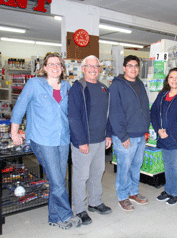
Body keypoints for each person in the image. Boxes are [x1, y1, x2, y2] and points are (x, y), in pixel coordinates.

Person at [10, 53, 81, 229]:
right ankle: (65, 215)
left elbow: (70, 113)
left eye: (58, 64)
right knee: (57, 180)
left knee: (58, 179)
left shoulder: (66, 86)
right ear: (44, 67)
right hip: (42, 139)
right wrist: (14, 132)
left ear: (62, 68)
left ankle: (53, 216)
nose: (55, 67)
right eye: (51, 64)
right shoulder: (34, 84)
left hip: (62, 138)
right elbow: (20, 107)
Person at [68, 55, 112, 225]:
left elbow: (107, 115)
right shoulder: (78, 88)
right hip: (84, 141)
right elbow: (73, 116)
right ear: (83, 68)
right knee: (81, 176)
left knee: (97, 172)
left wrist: (108, 134)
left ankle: (95, 202)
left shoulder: (103, 88)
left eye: (96, 66)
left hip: (100, 140)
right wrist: (80, 141)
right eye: (90, 66)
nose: (94, 69)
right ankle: (79, 209)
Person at [109, 55, 150, 211]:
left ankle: (133, 192)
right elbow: (114, 112)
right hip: (125, 136)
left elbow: (144, 107)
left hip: (140, 134)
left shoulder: (139, 84)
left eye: (136, 66)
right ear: (124, 68)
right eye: (130, 66)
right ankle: (123, 196)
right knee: (124, 168)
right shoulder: (117, 86)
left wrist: (146, 129)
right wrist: (122, 135)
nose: (133, 69)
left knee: (136, 166)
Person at [150, 68, 177, 205]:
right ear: (167, 80)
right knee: (168, 165)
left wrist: (168, 131)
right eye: (171, 77)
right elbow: (154, 113)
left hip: (176, 138)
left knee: (176, 166)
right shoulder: (162, 95)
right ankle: (168, 190)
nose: (174, 80)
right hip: (163, 137)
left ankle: (175, 193)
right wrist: (158, 130)